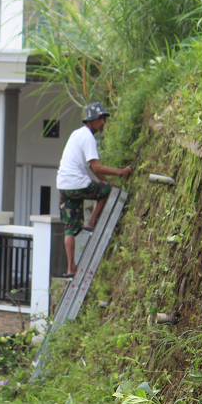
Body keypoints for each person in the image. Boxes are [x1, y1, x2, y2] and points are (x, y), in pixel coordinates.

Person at [56, 102, 132, 276]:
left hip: (64, 186)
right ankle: (92, 222)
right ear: (91, 120)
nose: (103, 122)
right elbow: (96, 167)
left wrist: (106, 182)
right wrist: (121, 172)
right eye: (101, 118)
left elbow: (92, 168)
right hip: (77, 184)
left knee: (70, 228)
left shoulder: (77, 134)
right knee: (108, 191)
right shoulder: (89, 137)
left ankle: (70, 268)